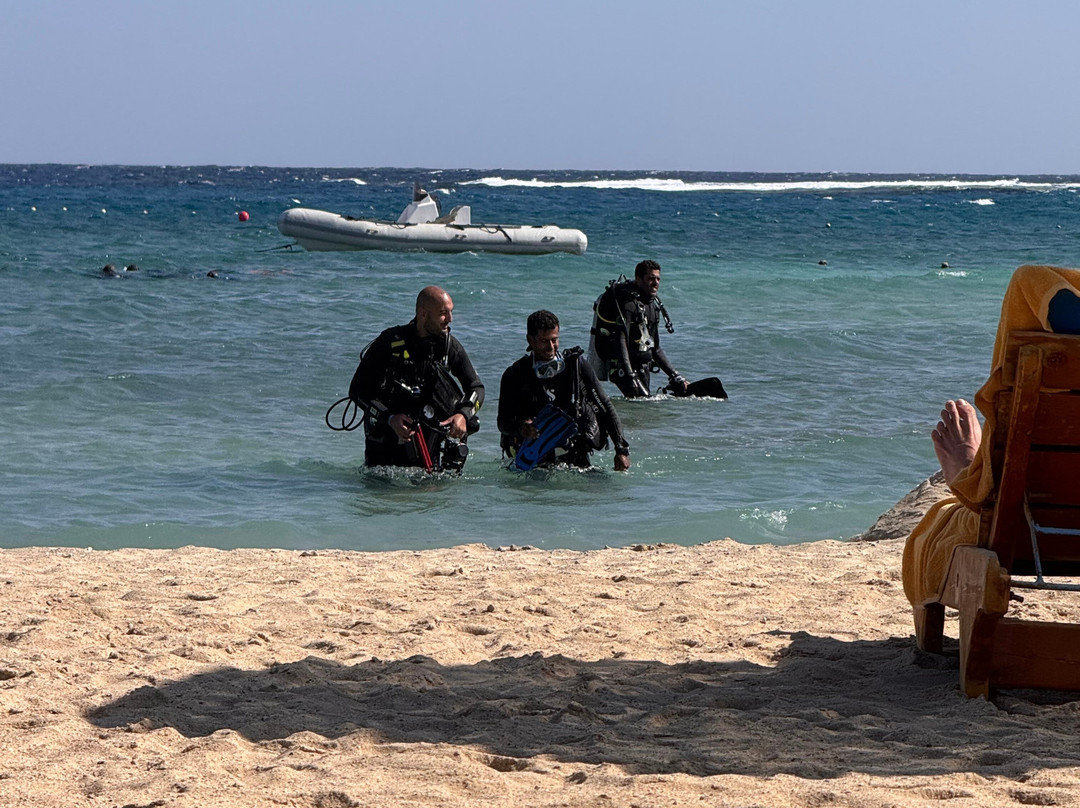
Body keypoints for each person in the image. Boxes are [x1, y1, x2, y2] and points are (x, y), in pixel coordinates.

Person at [903, 265, 1080, 607]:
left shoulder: (1037, 284)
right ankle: (977, 477)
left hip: (1037, 529)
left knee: (942, 523)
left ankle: (976, 478)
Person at [349, 286, 484, 470]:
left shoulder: (448, 346)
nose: (450, 319)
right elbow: (357, 390)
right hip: (385, 445)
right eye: (443, 313)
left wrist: (463, 414)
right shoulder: (390, 342)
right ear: (423, 314)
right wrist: (390, 418)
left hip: (430, 447)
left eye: (451, 312)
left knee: (431, 496)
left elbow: (476, 388)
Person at [499, 309, 631, 471]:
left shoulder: (577, 367)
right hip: (536, 454)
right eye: (543, 341)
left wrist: (621, 450)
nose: (550, 347)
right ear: (530, 340)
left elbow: (605, 406)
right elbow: (503, 422)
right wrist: (521, 428)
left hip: (574, 451)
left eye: (554, 340)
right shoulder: (515, 374)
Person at [590, 259, 690, 398]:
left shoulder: (652, 306)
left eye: (658, 279)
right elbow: (621, 340)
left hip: (642, 365)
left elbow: (656, 348)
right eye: (651, 278)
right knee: (642, 401)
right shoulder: (628, 305)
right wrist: (628, 373)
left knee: (646, 405)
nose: (656, 283)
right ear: (638, 279)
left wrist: (675, 375)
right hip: (621, 365)